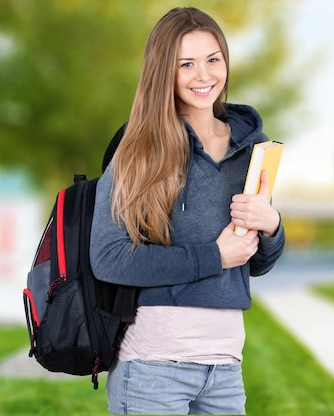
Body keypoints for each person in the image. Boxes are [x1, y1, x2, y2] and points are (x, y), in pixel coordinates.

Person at [90, 7, 285, 415]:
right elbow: (108, 259)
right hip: (152, 368)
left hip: (225, 368)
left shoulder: (253, 147)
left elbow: (256, 262)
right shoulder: (139, 147)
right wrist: (214, 256)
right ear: (164, 71)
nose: (204, 75)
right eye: (187, 64)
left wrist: (272, 227)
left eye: (213, 59)